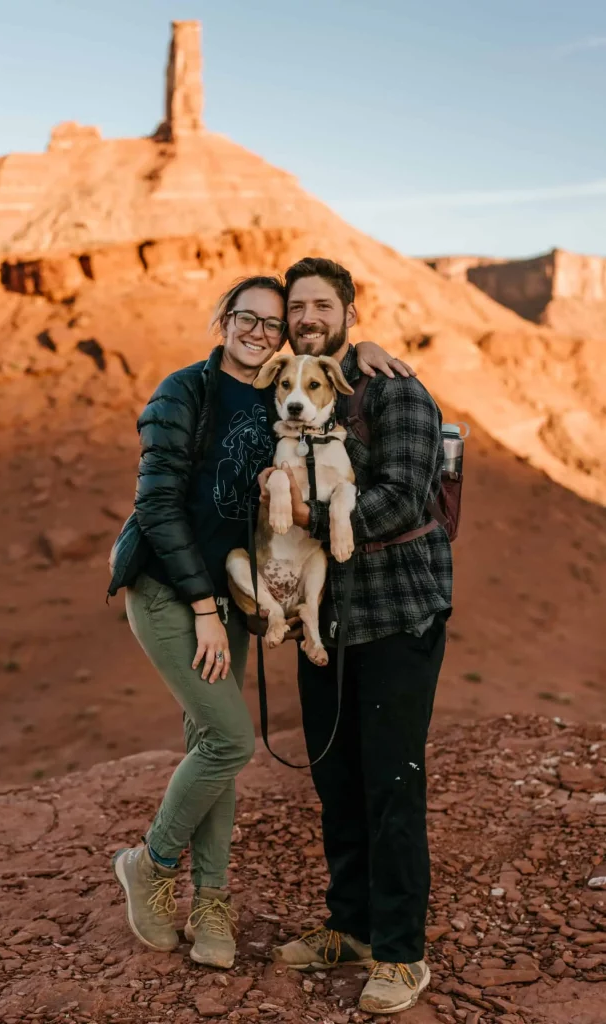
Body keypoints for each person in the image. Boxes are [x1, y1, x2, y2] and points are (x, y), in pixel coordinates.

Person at [109, 273, 413, 970]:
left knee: (209, 748)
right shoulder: (182, 391)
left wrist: (358, 346)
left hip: (233, 594)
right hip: (171, 591)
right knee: (228, 742)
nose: (258, 331)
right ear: (223, 319)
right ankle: (149, 862)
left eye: (271, 323)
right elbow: (156, 506)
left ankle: (211, 903)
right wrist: (204, 609)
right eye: (245, 317)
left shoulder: (276, 392)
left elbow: (318, 387)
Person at [267, 259, 453, 1016]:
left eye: (321, 304)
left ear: (347, 309)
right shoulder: (290, 390)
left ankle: (402, 954)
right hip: (328, 622)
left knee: (391, 784)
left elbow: (400, 497)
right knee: (333, 778)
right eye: (296, 307)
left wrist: (301, 518)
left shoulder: (396, 390)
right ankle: (351, 926)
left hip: (396, 611)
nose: (307, 315)